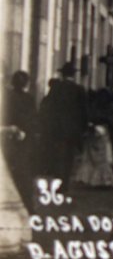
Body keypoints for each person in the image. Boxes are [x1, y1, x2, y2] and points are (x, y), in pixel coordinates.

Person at [38, 61, 88, 193]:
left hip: (57, 129)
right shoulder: (79, 90)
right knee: (69, 158)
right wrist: (83, 129)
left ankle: (58, 182)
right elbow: (84, 111)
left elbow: (48, 108)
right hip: (72, 131)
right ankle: (64, 184)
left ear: (63, 74)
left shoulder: (56, 88)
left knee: (58, 156)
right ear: (73, 75)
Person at [1, 70, 37, 210]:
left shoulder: (6, 97)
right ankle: (26, 204)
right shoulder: (29, 99)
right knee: (22, 172)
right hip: (23, 139)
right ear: (26, 84)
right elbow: (33, 119)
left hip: (6, 137)